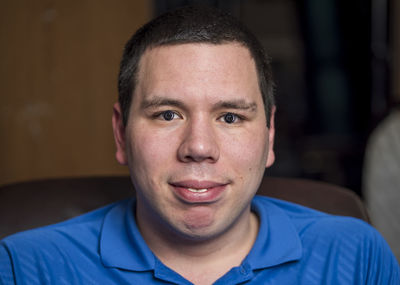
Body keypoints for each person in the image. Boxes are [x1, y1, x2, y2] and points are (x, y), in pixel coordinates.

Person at [0, 5, 399, 285]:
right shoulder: (25, 268)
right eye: (167, 114)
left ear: (270, 134)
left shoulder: (355, 256)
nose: (199, 147)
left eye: (230, 117)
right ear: (121, 133)